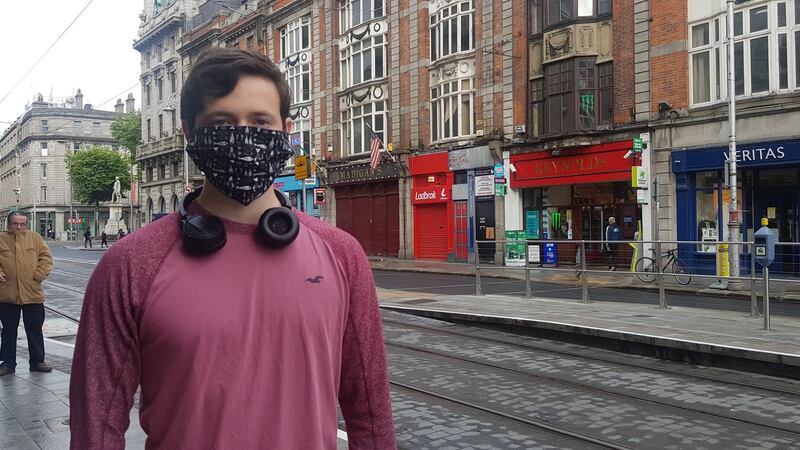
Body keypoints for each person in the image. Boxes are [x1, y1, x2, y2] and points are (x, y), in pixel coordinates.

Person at [70, 48, 395, 449]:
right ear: (190, 134)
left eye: (260, 121)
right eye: (222, 122)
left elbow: (372, 412)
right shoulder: (130, 264)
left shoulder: (342, 254)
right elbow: (96, 422)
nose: (243, 135)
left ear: (286, 131)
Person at [0, 213, 54, 376]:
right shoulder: (1, 239)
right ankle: (8, 363)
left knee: (35, 328)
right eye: (15, 224)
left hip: (32, 292)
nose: (19, 227)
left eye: (22, 224)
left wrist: (38, 276)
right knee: (9, 329)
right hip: (7, 292)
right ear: (8, 225)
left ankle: (37, 362)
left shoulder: (35, 238)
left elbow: (46, 258)